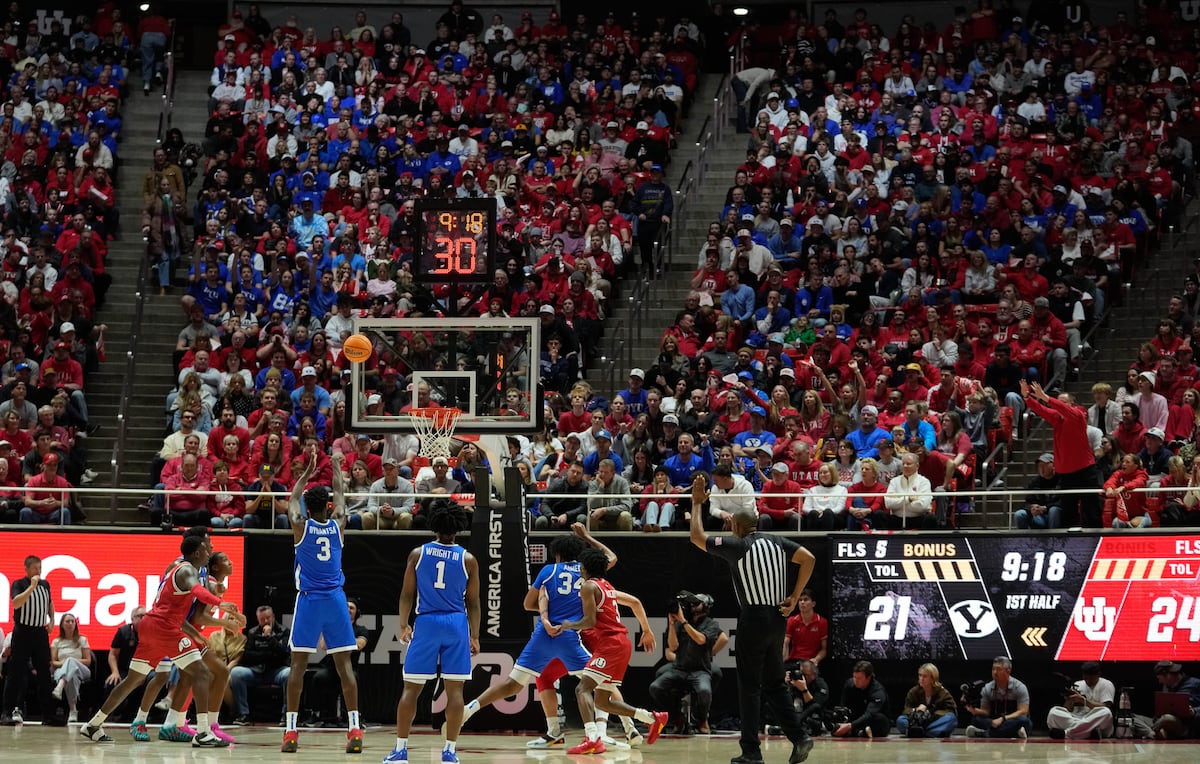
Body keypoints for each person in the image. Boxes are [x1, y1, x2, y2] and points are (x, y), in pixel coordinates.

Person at [689, 473, 816, 764]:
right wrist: (795, 597)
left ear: (736, 526)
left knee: (749, 686)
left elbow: (696, 537)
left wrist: (697, 504)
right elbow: (809, 558)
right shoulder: (777, 542)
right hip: (777, 620)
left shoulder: (739, 545)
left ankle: (751, 752)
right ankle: (800, 737)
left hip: (755, 619)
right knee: (774, 684)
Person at [80, 536, 236, 747]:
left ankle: (93, 724)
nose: (210, 553)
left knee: (133, 680)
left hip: (151, 626)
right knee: (201, 673)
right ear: (197, 552)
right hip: (165, 628)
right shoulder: (187, 569)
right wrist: (221, 603)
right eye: (207, 550)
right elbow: (198, 590)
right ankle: (203, 732)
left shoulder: (177, 568)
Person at [386, 500, 480, 764]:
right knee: (455, 691)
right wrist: (474, 635)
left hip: (427, 622)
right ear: (459, 526)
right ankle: (449, 751)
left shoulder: (418, 554)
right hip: (456, 623)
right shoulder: (468, 559)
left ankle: (400, 750)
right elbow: (473, 602)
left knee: (411, 689)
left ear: (434, 523)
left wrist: (403, 624)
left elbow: (406, 593)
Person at [281, 450, 363, 754]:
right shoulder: (338, 524)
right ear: (327, 507)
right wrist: (337, 467)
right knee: (345, 669)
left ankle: (290, 732)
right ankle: (354, 728)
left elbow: (292, 497)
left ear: (307, 507)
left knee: (297, 668)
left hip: (310, 601)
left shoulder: (300, 526)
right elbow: (341, 494)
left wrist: (307, 472)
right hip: (336, 600)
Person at [555, 548, 666, 754]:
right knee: (602, 701)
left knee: (582, 689)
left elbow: (590, 621)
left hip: (610, 644)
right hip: (620, 643)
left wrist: (568, 625)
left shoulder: (588, 586)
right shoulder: (607, 586)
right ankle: (651, 718)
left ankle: (592, 739)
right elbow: (635, 602)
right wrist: (647, 630)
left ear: (585, 567)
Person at [1021, 380, 1102, 526]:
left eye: (1064, 402)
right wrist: (1027, 398)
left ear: (1072, 404)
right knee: (1067, 510)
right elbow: (1041, 409)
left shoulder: (1079, 414)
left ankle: (1096, 538)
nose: (1059, 405)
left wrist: (1046, 397)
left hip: (1085, 470)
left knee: (1091, 508)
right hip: (1065, 473)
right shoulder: (1057, 418)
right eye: (1058, 402)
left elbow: (1064, 409)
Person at [648, 592, 727, 735]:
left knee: (704, 691)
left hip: (700, 670)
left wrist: (684, 622)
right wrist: (672, 624)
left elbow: (701, 640)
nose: (693, 606)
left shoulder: (711, 624)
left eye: (697, 603)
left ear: (706, 606)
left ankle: (701, 719)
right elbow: (672, 647)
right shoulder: (680, 623)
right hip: (679, 669)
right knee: (655, 687)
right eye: (692, 603)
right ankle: (677, 716)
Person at [1, 555, 62, 726]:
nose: (39, 572)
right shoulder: (19, 584)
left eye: (40, 568)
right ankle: (6, 712)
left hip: (40, 633)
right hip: (23, 632)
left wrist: (51, 620)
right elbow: (16, 603)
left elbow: (50, 603)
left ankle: (48, 714)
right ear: (26, 569)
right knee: (15, 673)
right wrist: (31, 587)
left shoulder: (45, 584)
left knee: (44, 673)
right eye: (35, 568)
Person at [229, 605, 291, 725]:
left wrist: (269, 638)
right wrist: (268, 653)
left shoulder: (284, 631)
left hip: (277, 670)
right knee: (236, 673)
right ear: (258, 619)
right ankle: (243, 714)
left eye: (268, 618)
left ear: (273, 617)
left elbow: (283, 653)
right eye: (262, 619)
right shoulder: (252, 632)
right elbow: (248, 656)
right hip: (256, 671)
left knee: (289, 674)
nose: (266, 621)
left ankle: (286, 715)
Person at [963, 656, 1033, 739]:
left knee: (1023, 720)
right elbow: (986, 711)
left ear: (1008, 671)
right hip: (995, 721)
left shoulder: (1019, 687)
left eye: (999, 669)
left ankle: (984, 733)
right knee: (976, 719)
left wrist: (1003, 719)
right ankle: (1014, 733)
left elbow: (1023, 711)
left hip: (1011, 719)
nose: (995, 672)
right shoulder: (987, 688)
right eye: (993, 669)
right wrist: (973, 710)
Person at [1046, 661, 1115, 739]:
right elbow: (1068, 709)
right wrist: (1070, 700)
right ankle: (1086, 733)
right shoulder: (1078, 684)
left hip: (1093, 719)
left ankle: (1066, 734)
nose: (1088, 681)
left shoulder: (1106, 684)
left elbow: (1106, 706)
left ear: (1098, 675)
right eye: (1086, 678)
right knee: (1053, 712)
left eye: (1091, 678)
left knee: (1106, 713)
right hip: (1078, 719)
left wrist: (1083, 700)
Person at [104, 607, 146, 722]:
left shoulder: (151, 632)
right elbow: (113, 654)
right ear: (132, 619)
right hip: (124, 669)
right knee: (112, 682)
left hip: (145, 670)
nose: (144, 618)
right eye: (140, 616)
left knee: (153, 681)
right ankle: (109, 714)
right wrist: (115, 672)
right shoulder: (123, 632)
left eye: (145, 616)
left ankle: (141, 717)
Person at [50, 613, 93, 723]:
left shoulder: (82, 640)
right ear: (62, 625)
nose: (70, 623)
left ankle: (60, 686)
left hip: (82, 670)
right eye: (67, 621)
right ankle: (73, 710)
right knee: (72, 676)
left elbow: (88, 661)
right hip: (61, 670)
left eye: (72, 621)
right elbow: (54, 662)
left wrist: (71, 661)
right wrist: (66, 664)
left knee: (71, 661)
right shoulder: (56, 641)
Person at [896, 663, 958, 738]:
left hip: (934, 721)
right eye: (920, 675)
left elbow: (952, 711)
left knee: (951, 719)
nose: (921, 679)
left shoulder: (943, 693)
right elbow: (906, 710)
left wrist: (930, 712)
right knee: (901, 720)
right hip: (917, 722)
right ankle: (928, 732)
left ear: (933, 678)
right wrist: (916, 710)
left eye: (925, 676)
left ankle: (919, 732)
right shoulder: (913, 691)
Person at [834, 660, 890, 738]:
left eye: (859, 678)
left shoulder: (877, 691)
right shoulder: (849, 685)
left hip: (870, 719)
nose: (856, 681)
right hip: (855, 717)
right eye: (854, 677)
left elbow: (869, 714)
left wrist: (851, 726)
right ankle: (860, 732)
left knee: (880, 720)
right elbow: (843, 706)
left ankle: (857, 732)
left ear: (868, 677)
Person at [1152, 660, 1200, 739]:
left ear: (1168, 676)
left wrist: (1194, 711)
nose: (1160, 682)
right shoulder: (1167, 687)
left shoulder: (1196, 684)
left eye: (1159, 678)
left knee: (1167, 718)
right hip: (1160, 720)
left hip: (1183, 725)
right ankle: (1155, 731)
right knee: (1132, 718)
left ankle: (1153, 732)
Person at [1014, 453, 1063, 529]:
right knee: (1019, 514)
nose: (1041, 468)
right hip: (1039, 515)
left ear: (1053, 466)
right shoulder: (1035, 482)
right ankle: (1024, 540)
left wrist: (1045, 508)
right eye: (1039, 466)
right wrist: (1032, 507)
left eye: (1045, 465)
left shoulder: (1061, 480)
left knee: (1054, 510)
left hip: (1056, 515)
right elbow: (1028, 500)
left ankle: (1054, 539)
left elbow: (1063, 501)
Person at [783, 589, 828, 667]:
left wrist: (816, 659)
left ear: (813, 604)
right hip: (794, 661)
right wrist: (784, 663)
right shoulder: (792, 620)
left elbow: (824, 649)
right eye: (800, 600)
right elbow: (785, 643)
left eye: (806, 599)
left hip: (811, 662)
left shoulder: (822, 622)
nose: (802, 602)